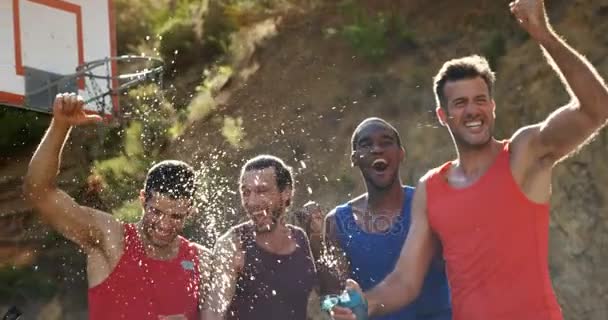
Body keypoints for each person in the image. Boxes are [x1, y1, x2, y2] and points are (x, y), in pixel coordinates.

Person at [332, 1, 608, 319]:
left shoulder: (523, 154)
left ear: (492, 107)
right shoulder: (431, 188)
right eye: (460, 103)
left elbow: (596, 109)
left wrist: (544, 35)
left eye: (480, 100)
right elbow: (405, 281)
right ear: (443, 116)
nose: (472, 110)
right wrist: (364, 303)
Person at [24, 93, 211, 320]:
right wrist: (60, 126)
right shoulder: (111, 238)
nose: (164, 224)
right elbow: (39, 192)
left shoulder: (202, 261)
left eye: (176, 216)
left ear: (190, 211)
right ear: (143, 200)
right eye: (156, 212)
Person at [320, 118, 451, 320]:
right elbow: (333, 298)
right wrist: (339, 307)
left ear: (401, 154)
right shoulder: (337, 222)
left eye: (386, 142)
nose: (377, 149)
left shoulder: (428, 205)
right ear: (354, 158)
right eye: (366, 144)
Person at [202, 155, 317, 320]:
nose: (251, 202)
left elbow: (311, 304)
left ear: (286, 192)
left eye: (262, 191)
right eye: (246, 192)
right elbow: (212, 312)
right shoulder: (233, 244)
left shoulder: (300, 238)